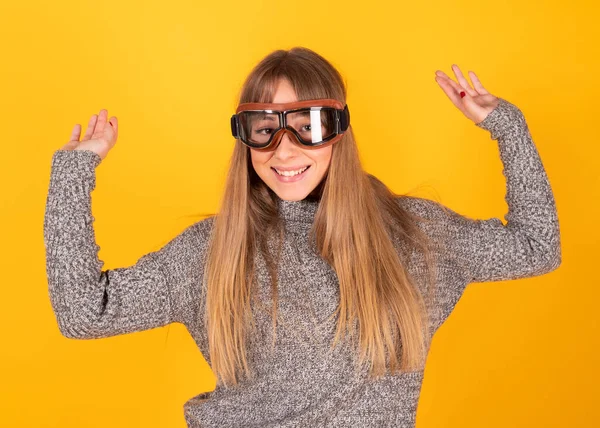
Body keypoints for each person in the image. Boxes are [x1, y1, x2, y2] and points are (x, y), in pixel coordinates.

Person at [44, 46, 562, 427]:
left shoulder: (414, 233)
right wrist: (74, 171)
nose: (284, 151)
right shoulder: (213, 251)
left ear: (338, 130)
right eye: (264, 128)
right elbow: (85, 312)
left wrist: (507, 126)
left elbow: (537, 248)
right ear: (244, 137)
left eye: (308, 124)